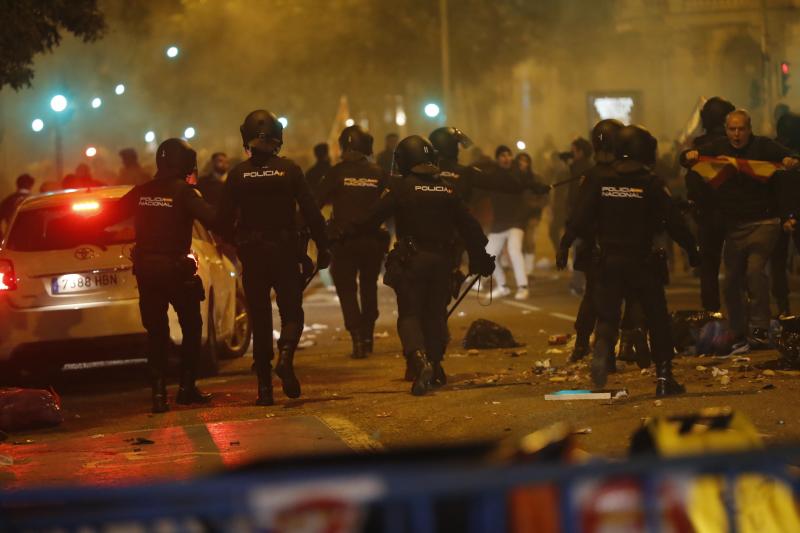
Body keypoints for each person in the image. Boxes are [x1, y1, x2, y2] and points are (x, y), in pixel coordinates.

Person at [559, 125, 700, 396]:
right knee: (657, 318)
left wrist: (565, 244)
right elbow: (674, 222)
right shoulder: (650, 182)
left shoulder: (601, 179)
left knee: (608, 315)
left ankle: (602, 348)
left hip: (608, 260)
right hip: (642, 261)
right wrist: (692, 249)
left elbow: (580, 217)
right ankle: (663, 378)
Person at [357, 135, 494, 395]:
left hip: (412, 261)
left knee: (410, 315)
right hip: (443, 262)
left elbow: (371, 217)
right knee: (435, 316)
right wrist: (481, 258)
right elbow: (470, 227)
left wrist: (344, 232)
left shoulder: (401, 187)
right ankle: (437, 366)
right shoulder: (447, 188)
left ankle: (419, 363)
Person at [90, 138, 216, 413]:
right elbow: (213, 219)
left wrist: (90, 235)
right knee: (192, 327)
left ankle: (158, 394)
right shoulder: (184, 193)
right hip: (177, 271)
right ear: (183, 163)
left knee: (156, 333)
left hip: (147, 272)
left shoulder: (141, 192)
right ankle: (186, 388)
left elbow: (105, 216)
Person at [218, 110, 330, 406]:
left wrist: (236, 241)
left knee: (260, 317)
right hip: (284, 252)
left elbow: (222, 219)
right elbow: (311, 213)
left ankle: (264, 389)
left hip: (253, 256)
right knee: (292, 312)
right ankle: (286, 355)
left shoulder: (237, 174)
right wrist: (324, 247)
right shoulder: (290, 170)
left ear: (247, 139)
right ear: (278, 138)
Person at [682, 109, 799, 351]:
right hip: (734, 227)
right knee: (730, 280)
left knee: (755, 272)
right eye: (732, 129)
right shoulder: (720, 147)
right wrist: (690, 155)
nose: (737, 134)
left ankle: (759, 327)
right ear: (726, 130)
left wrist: (788, 161)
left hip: (764, 224)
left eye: (741, 129)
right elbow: (687, 159)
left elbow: (788, 158)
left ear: (749, 129)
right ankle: (737, 330)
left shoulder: (764, 147)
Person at [316, 126, 388, 359]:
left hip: (344, 242)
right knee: (369, 288)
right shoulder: (379, 172)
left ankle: (357, 337)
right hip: (373, 242)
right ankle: (367, 337)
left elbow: (315, 201)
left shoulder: (337, 172)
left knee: (347, 290)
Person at [685, 97, 735, 312]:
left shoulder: (700, 147)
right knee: (737, 268)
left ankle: (712, 315)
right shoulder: (736, 145)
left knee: (709, 268)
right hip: (735, 214)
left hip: (707, 214)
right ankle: (740, 314)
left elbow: (692, 180)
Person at [484, 146, 549, 300]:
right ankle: (502, 286)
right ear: (497, 158)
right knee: (487, 256)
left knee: (514, 250)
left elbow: (531, 182)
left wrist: (540, 188)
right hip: (499, 223)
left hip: (516, 221)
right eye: (502, 155)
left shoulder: (518, 174)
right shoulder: (492, 175)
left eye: (508, 155)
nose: (506, 158)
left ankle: (523, 287)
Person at [565, 137, 594, 295]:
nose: (571, 154)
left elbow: (575, 196)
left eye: (573, 151)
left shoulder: (579, 169)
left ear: (581, 152)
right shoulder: (591, 168)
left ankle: (578, 284)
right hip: (587, 216)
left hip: (581, 217)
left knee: (579, 250)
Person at [0, 173, 35, 238]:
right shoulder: (34, 201)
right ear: (31, 185)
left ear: (17, 184)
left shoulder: (7, 201)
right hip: (32, 238)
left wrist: (2, 238)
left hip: (12, 239)